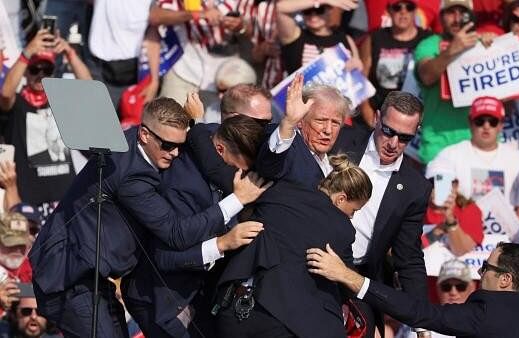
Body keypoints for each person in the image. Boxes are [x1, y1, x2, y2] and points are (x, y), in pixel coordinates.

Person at [28, 98, 268, 337]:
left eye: (179, 145)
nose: (175, 153)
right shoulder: (132, 179)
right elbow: (176, 234)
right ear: (145, 134)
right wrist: (237, 200)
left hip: (93, 278)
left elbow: (188, 141)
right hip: (66, 277)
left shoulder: (136, 141)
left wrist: (195, 123)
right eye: (167, 145)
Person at [122, 114, 271, 338]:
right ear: (220, 150)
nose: (244, 179)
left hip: (198, 294)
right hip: (163, 298)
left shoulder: (209, 147)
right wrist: (222, 243)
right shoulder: (180, 186)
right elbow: (164, 257)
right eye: (241, 170)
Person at [216, 154, 372, 338]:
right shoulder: (343, 228)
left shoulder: (284, 189)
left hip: (236, 308)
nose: (351, 217)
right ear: (341, 199)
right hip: (284, 324)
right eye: (354, 210)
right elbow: (346, 284)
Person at [307, 242, 519, 338]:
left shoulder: (486, 314)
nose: (480, 274)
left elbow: (419, 312)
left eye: (486, 267)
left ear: (505, 280)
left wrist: (348, 276)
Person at [331, 90, 431, 337]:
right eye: (388, 131)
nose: (394, 143)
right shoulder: (341, 141)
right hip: (312, 259)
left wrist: (422, 324)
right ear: (376, 118)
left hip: (359, 275)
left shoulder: (415, 187)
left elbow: (408, 257)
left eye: (405, 137)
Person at [0, 28, 91, 221]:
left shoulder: (60, 99)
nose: (40, 75)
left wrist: (69, 52)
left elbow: (89, 89)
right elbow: (6, 94)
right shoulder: (16, 104)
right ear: (26, 72)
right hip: (28, 206)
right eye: (35, 70)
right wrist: (27, 53)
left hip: (65, 200)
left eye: (46, 70)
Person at [426, 96, 519, 232]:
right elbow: (438, 193)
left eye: (493, 121)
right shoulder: (449, 155)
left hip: (504, 241)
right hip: (462, 236)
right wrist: (434, 193)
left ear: (501, 125)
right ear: (470, 122)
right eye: (480, 121)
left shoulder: (516, 158)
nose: (486, 126)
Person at [255, 74, 351, 190]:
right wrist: (289, 122)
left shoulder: (337, 160)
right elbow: (269, 166)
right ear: (300, 120)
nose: (328, 130)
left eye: (335, 123)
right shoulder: (289, 147)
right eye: (320, 120)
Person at [413, 0, 479, 163]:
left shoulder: (481, 43)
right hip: (438, 148)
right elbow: (427, 76)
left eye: (462, 13)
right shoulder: (428, 45)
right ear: (441, 17)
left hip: (479, 146)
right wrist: (452, 50)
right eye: (451, 12)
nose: (457, 19)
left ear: (471, 17)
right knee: (441, 190)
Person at [358, 0, 431, 128]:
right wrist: (369, 117)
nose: (403, 12)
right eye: (397, 7)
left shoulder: (428, 39)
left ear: (415, 11)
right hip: (380, 118)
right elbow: (361, 80)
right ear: (389, 11)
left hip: (418, 121)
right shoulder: (375, 38)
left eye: (409, 7)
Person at [276, 0, 362, 75]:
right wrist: (323, 1)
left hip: (338, 92)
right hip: (303, 93)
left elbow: (359, 75)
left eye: (319, 10)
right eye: (307, 11)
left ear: (329, 10)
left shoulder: (345, 38)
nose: (313, 16)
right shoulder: (295, 36)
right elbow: (280, 8)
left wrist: (357, 66)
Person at [397, 259, 477, 338]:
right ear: (438, 289)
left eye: (460, 287)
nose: (453, 292)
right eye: (446, 287)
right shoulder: (422, 321)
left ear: (472, 288)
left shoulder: (482, 321)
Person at [422, 166, 483, 256]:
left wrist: (449, 218)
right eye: (435, 183)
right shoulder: (414, 207)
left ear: (456, 185)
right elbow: (404, 250)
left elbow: (461, 251)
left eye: (447, 183)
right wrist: (434, 233)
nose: (440, 188)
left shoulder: (469, 209)